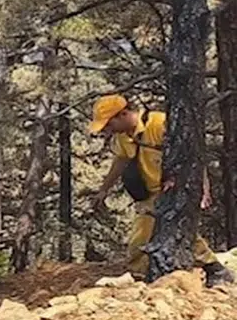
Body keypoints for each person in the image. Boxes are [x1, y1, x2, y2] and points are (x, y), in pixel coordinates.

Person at [90, 94, 234, 286]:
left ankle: (215, 269)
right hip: (150, 195)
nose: (107, 131)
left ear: (123, 114)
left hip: (174, 190)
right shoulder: (123, 138)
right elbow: (120, 162)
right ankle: (142, 277)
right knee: (139, 240)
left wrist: (203, 188)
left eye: (109, 124)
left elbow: (193, 155)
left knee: (181, 231)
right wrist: (103, 190)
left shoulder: (159, 124)